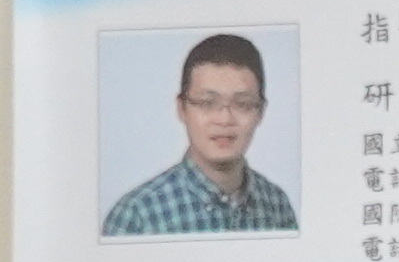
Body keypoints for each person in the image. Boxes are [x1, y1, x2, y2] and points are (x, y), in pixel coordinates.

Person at [104, 31, 295, 234]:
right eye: (206, 103)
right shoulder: (138, 216)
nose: (225, 119)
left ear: (261, 111)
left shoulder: (277, 205)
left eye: (242, 104)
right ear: (181, 109)